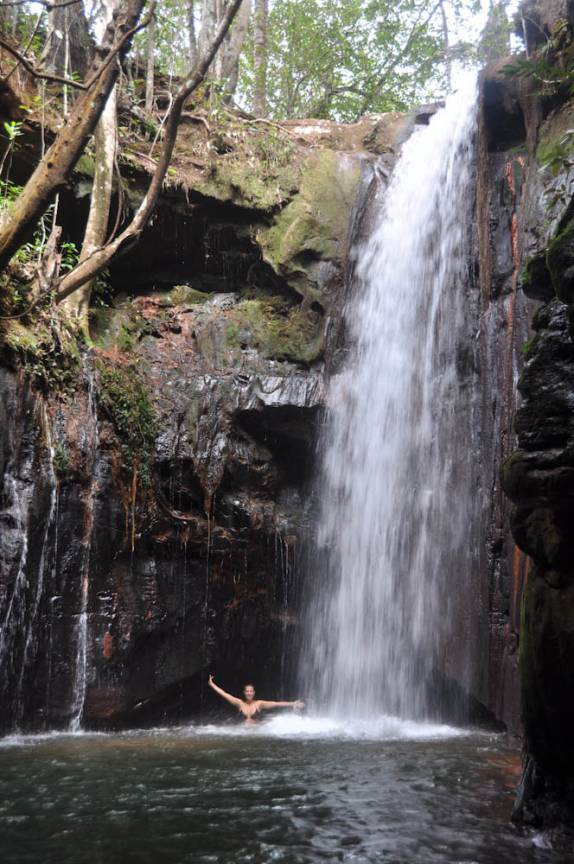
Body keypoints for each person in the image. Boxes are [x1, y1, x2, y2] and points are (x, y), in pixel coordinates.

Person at [208, 675, 305, 726]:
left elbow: (276, 704)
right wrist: (212, 684)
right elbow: (224, 694)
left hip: (257, 730)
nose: (249, 693)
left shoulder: (260, 704)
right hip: (241, 732)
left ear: (254, 693)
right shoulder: (239, 703)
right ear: (244, 693)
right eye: (247, 691)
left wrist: (293, 703)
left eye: (251, 691)